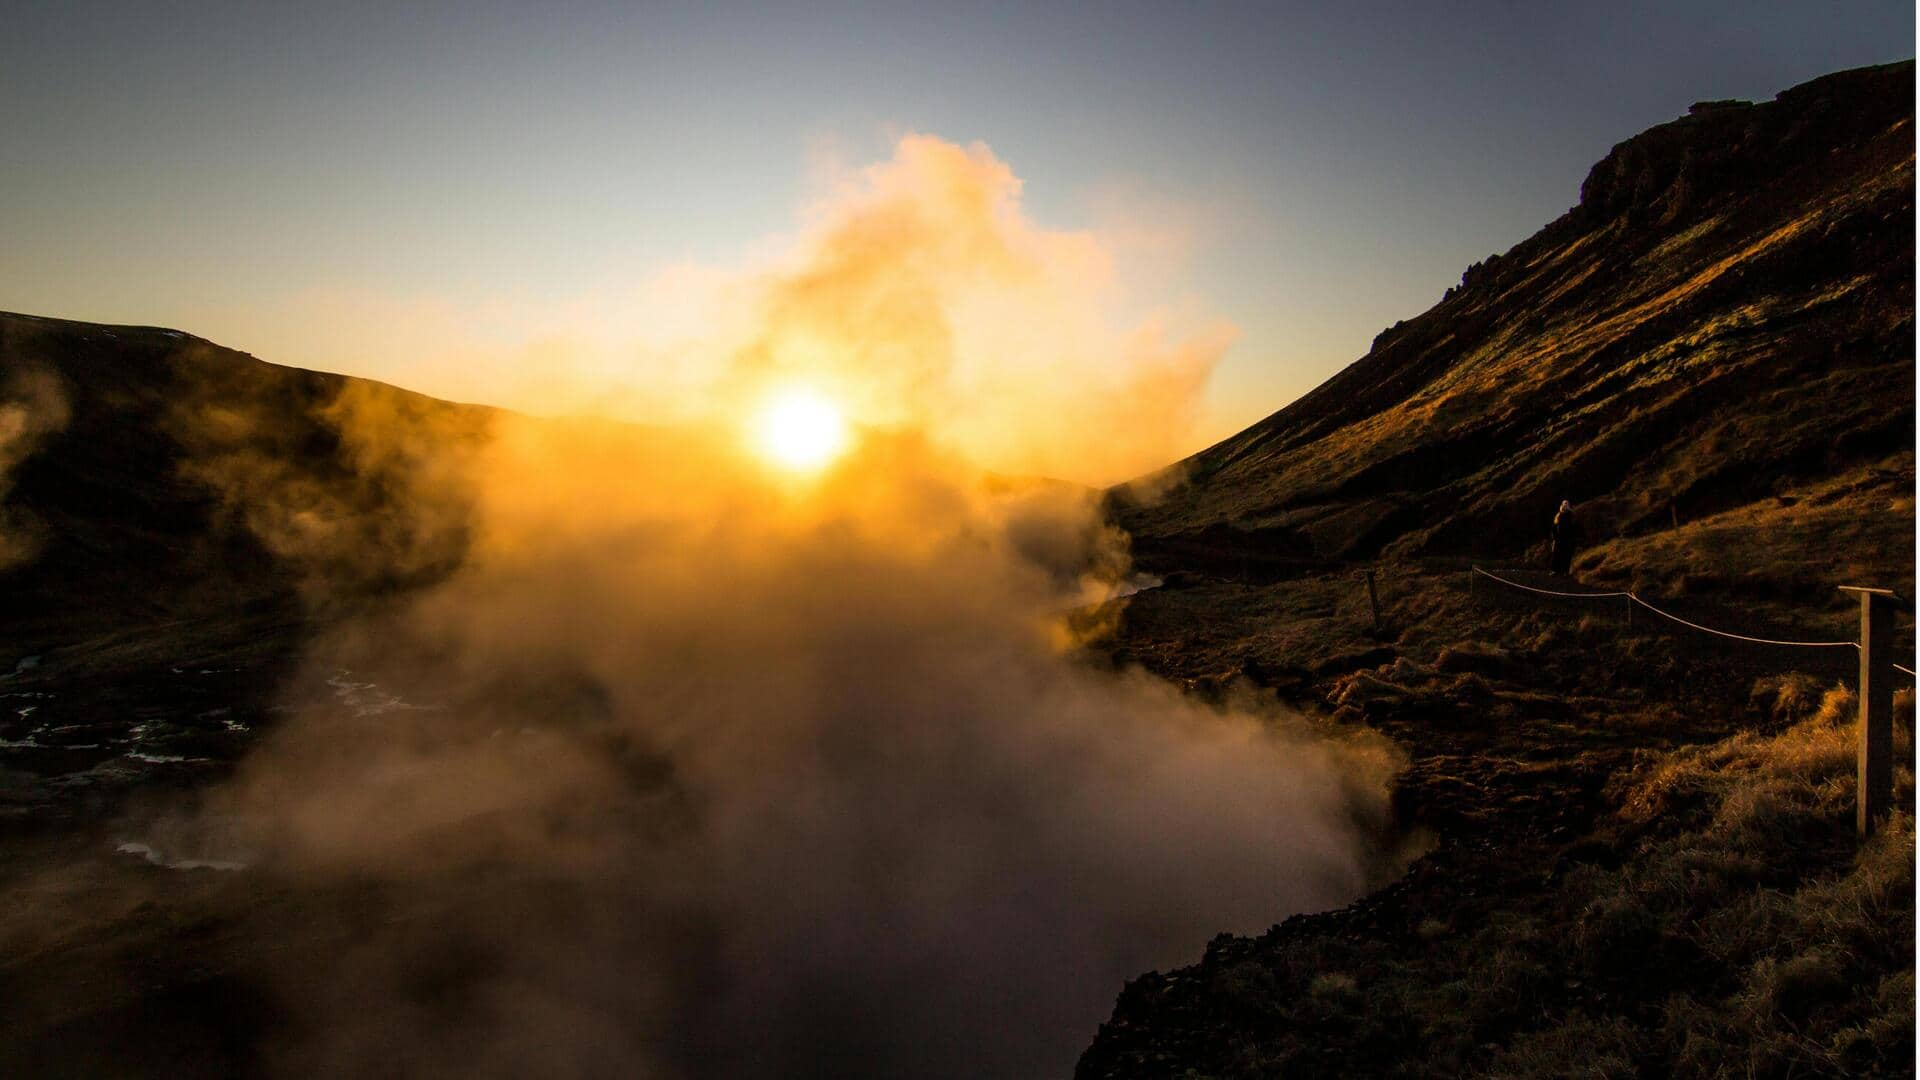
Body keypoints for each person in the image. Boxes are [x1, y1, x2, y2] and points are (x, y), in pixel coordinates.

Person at [1550, 499, 1581, 576]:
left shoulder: (1571, 515)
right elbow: (1554, 526)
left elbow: (1575, 526)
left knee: (1566, 556)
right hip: (1558, 539)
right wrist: (1554, 537)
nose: (1565, 505)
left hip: (1568, 539)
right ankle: (1555, 571)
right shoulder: (1558, 515)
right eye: (1564, 504)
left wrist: (1573, 538)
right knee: (1556, 555)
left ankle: (1565, 572)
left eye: (1566, 504)